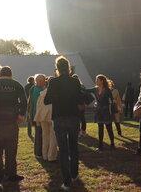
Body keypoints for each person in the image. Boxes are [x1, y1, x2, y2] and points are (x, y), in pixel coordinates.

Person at [44, 56, 84, 191]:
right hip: (73, 116)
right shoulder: (75, 81)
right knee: (73, 146)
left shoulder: (54, 82)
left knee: (63, 149)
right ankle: (74, 174)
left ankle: (66, 181)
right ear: (68, 67)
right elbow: (80, 98)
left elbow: (46, 100)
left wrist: (57, 96)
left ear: (57, 68)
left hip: (59, 117)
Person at [34, 76, 58, 162]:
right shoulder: (57, 93)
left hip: (43, 117)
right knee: (53, 136)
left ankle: (44, 155)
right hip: (52, 116)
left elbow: (38, 106)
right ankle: (51, 156)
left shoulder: (43, 93)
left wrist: (38, 119)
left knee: (45, 136)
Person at [91, 74, 115, 151]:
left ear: (101, 81)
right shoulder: (95, 89)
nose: (96, 81)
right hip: (99, 112)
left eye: (97, 80)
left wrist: (113, 110)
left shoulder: (107, 90)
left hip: (106, 112)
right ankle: (100, 146)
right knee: (100, 129)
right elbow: (85, 90)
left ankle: (112, 143)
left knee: (109, 129)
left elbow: (112, 100)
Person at [28, 74, 46, 158]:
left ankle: (39, 151)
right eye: (40, 81)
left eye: (43, 81)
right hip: (37, 115)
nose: (42, 82)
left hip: (40, 115)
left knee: (40, 134)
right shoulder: (38, 90)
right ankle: (38, 152)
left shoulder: (36, 89)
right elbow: (32, 104)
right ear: (36, 81)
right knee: (39, 134)